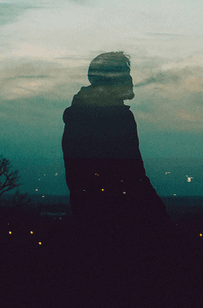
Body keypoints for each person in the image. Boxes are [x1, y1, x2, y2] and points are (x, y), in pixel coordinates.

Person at [62, 52, 171, 233]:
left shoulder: (80, 114)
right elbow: (132, 174)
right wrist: (159, 215)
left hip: (93, 215)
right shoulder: (115, 117)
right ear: (110, 81)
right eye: (125, 75)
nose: (130, 80)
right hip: (121, 217)